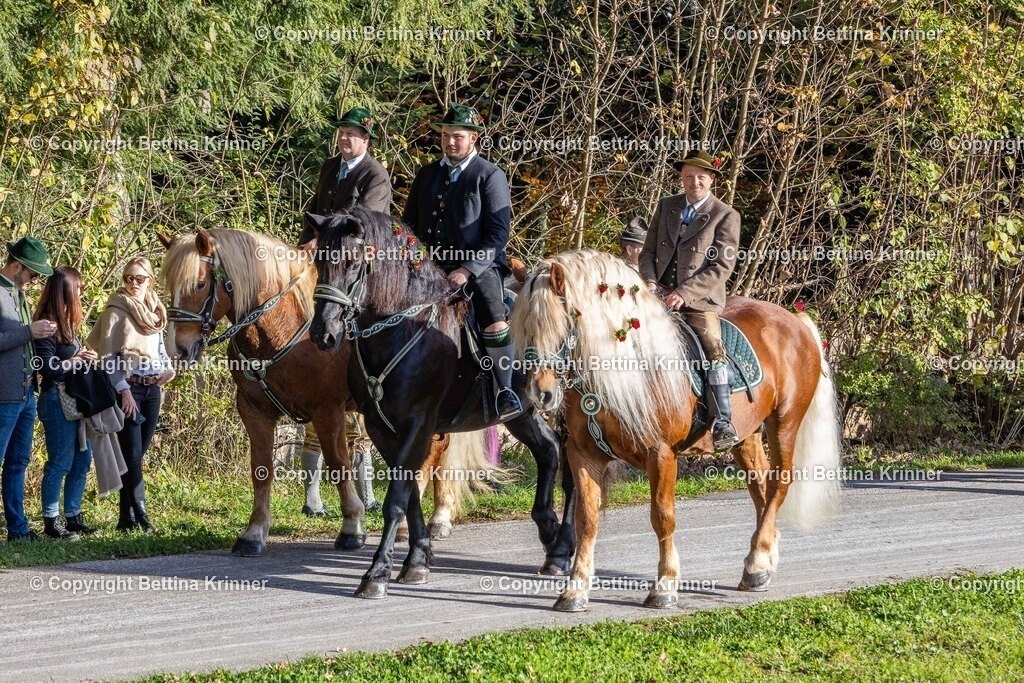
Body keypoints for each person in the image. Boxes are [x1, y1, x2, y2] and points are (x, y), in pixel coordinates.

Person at [296, 106, 393, 512]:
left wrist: (325, 243)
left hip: (360, 264)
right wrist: (304, 242)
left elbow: (363, 220)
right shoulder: (329, 166)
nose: (344, 139)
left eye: (352, 134)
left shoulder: (376, 174)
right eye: (342, 133)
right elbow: (315, 211)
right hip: (325, 262)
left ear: (366, 140)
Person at [403, 102, 521, 420]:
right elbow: (408, 228)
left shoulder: (489, 175)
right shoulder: (427, 174)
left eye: (457, 136)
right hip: (430, 266)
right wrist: (417, 261)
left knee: (492, 313)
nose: (450, 142)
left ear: (473, 139)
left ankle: (505, 388)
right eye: (445, 135)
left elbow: (497, 235)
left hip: (479, 266)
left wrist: (466, 269)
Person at [640, 150, 741, 451]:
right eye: (688, 176)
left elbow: (722, 267)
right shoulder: (666, 206)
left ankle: (722, 421)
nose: (693, 181)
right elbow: (646, 253)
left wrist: (684, 294)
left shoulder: (726, 215)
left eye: (700, 176)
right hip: (656, 296)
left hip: (699, 302)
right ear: (681, 178)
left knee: (712, 348)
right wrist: (648, 281)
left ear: (711, 179)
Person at [88, 257, 175, 532]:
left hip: (153, 389)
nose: (133, 283)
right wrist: (124, 390)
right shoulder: (116, 309)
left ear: (150, 281)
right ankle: (143, 516)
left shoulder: (156, 313)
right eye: (128, 278)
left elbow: (159, 350)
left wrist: (168, 370)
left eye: (139, 279)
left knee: (135, 455)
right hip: (129, 388)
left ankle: (125, 520)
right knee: (134, 455)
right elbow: (109, 356)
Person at [34, 266, 97, 539]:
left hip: (75, 400)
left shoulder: (70, 325)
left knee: (82, 460)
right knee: (60, 461)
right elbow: (46, 368)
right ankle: (51, 519)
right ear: (66, 291)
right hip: (55, 399)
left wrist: (85, 356)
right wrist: (74, 360)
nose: (82, 292)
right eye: (79, 288)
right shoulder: (47, 324)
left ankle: (73, 515)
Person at [0, 237, 56, 542]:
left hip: (25, 394)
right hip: (3, 396)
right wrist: (28, 332)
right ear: (17, 265)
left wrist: (41, 335)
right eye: (33, 274)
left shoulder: (18, 294)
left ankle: (18, 530)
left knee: (18, 463)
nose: (35, 281)